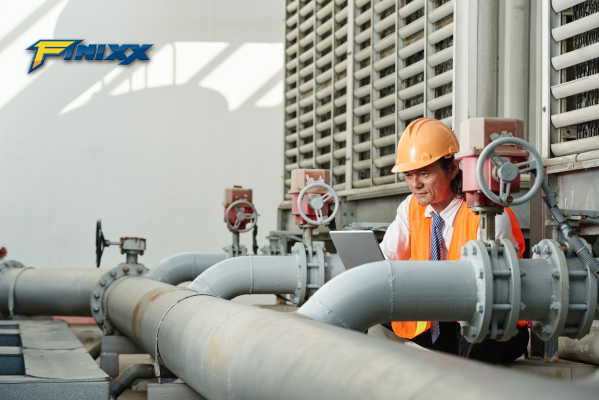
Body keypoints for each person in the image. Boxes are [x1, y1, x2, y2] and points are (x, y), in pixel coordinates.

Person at [379, 118, 529, 364]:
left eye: (424, 174)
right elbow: (387, 257)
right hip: (444, 321)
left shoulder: (487, 214)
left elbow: (493, 291)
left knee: (477, 329)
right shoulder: (411, 208)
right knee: (374, 300)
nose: (415, 184)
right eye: (409, 175)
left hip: (494, 325)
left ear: (452, 169)